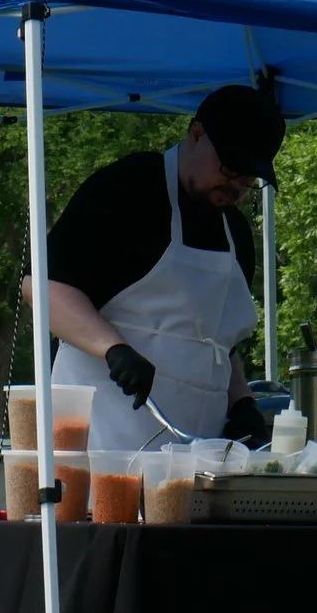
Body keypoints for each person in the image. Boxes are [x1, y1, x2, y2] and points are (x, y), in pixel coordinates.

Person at [44, 84, 287, 453]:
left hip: (195, 459)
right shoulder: (126, 190)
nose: (236, 185)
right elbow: (44, 288)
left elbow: (220, 344)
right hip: (101, 448)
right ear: (196, 134)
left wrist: (241, 402)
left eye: (248, 178)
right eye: (229, 168)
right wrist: (114, 349)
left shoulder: (235, 231)